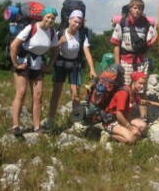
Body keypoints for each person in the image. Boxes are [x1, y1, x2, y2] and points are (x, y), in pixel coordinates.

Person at [10, 7, 59, 137]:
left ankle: (37, 127)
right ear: (42, 16)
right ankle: (15, 126)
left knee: (38, 96)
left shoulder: (52, 32)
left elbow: (55, 51)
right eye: (48, 17)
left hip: (38, 65)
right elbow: (13, 46)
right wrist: (15, 64)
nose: (50, 20)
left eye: (53, 18)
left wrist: (49, 66)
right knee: (21, 93)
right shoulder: (31, 28)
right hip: (24, 63)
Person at [45, 10, 97, 129]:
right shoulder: (60, 33)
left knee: (75, 94)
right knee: (56, 93)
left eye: (79, 23)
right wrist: (59, 42)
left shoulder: (82, 35)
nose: (77, 25)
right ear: (69, 20)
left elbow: (87, 53)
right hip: (60, 64)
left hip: (74, 65)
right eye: (75, 22)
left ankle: (76, 121)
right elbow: (51, 50)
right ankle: (50, 120)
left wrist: (92, 69)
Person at [110, 0, 157, 120]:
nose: (138, 10)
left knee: (141, 90)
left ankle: (143, 118)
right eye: (135, 8)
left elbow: (150, 43)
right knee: (124, 89)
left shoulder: (146, 24)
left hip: (141, 61)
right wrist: (117, 65)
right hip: (125, 60)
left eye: (140, 8)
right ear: (130, 8)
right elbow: (116, 44)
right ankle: (124, 116)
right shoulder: (122, 23)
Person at [104, 72, 159, 144]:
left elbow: (141, 102)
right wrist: (130, 128)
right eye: (140, 83)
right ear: (133, 82)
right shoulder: (123, 93)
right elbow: (118, 115)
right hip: (111, 120)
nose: (142, 86)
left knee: (143, 126)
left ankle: (125, 131)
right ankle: (109, 135)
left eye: (144, 84)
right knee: (131, 139)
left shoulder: (133, 92)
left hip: (124, 117)